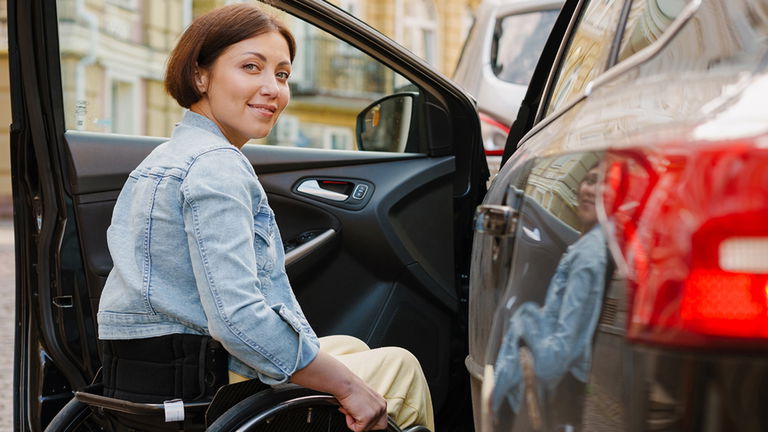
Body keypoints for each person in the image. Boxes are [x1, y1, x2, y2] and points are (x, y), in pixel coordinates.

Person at [96, 4, 433, 432]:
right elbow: (237, 317)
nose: (271, 88)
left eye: (281, 74)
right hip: (206, 390)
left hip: (149, 380)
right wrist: (348, 388)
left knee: (345, 345)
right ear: (200, 75)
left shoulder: (165, 159)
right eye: (251, 67)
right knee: (399, 366)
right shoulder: (217, 166)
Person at [491, 163, 607, 422]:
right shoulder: (590, 246)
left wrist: (524, 323)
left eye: (603, 183)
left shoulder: (588, 256)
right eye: (589, 180)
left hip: (563, 389)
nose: (590, 190)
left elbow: (557, 359)